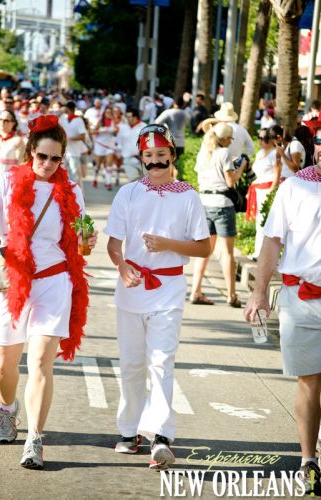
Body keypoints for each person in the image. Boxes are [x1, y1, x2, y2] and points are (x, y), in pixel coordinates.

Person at [0, 114, 97, 470]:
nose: (49, 165)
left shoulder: (71, 190)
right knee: (5, 365)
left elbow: (83, 239)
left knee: (39, 361)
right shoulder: (4, 183)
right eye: (42, 157)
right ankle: (8, 408)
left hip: (53, 281)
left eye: (56, 159)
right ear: (30, 152)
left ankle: (35, 438)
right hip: (12, 279)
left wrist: (87, 242)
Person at [103, 124, 210, 470]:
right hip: (131, 290)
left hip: (168, 290)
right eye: (148, 156)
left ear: (172, 156)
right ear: (142, 158)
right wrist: (122, 268)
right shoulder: (128, 193)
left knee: (161, 361)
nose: (154, 162)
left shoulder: (188, 195)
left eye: (161, 156)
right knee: (132, 364)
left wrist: (167, 245)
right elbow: (113, 243)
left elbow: (203, 246)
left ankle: (161, 436)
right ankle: (129, 429)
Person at [244, 144, 321, 494]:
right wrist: (259, 292)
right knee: (310, 380)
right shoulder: (294, 186)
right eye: (320, 145)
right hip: (302, 296)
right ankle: (309, 460)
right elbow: (272, 241)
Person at [190, 122, 247, 307]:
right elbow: (231, 182)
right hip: (222, 204)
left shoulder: (203, 152)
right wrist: (242, 168)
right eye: (230, 138)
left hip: (204, 203)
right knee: (228, 252)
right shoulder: (224, 153)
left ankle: (195, 291)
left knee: (204, 250)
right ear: (224, 139)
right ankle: (231, 295)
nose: (231, 142)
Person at [245, 129, 280, 260]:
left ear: (271, 140)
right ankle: (257, 252)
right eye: (259, 138)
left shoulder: (274, 154)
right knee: (258, 222)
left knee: (263, 223)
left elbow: (277, 175)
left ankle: (262, 254)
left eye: (264, 138)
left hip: (267, 190)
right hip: (257, 189)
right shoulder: (260, 153)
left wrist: (271, 192)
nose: (260, 141)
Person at [60, 100, 88, 188]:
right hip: (63, 151)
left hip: (75, 151)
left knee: (74, 174)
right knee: (62, 173)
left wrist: (70, 139)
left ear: (68, 108)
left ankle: (76, 194)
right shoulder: (62, 118)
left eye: (65, 107)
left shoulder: (78, 120)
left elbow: (83, 136)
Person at [0, 109, 25, 175]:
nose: (2, 122)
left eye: (6, 120)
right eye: (0, 119)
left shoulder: (18, 140)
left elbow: (20, 164)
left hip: (6, 179)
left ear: (13, 123)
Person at [116, 108, 146, 182]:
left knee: (146, 183)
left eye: (130, 117)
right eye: (127, 117)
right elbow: (119, 142)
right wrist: (118, 152)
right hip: (128, 159)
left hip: (143, 160)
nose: (128, 119)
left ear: (135, 117)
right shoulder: (123, 127)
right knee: (134, 181)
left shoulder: (144, 127)